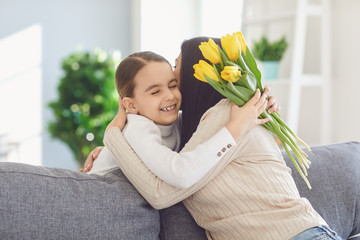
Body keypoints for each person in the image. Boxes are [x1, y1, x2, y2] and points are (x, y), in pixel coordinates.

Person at [86, 37, 343, 239]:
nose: (172, 76)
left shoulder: (230, 117)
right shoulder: (207, 125)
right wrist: (111, 151)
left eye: (176, 69)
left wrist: (114, 137)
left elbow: (161, 192)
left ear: (197, 77)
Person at [88, 51, 270, 189]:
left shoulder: (178, 122)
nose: (170, 96)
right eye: (155, 91)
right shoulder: (137, 128)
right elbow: (180, 173)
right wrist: (236, 127)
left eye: (172, 85)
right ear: (131, 105)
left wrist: (263, 103)